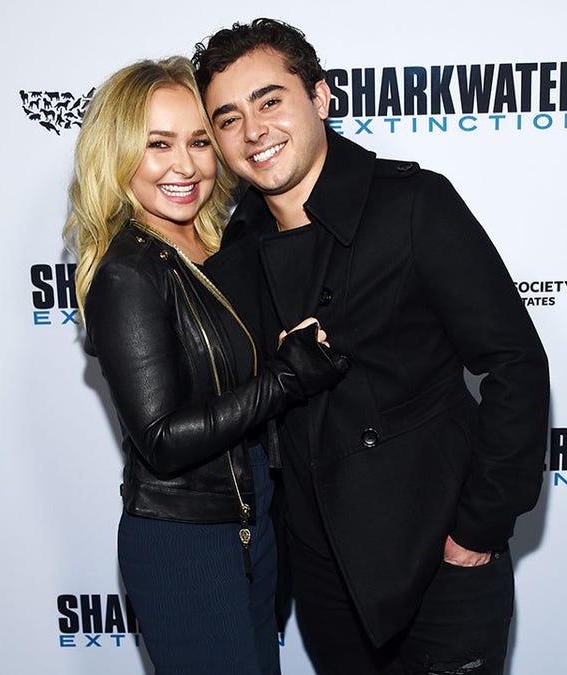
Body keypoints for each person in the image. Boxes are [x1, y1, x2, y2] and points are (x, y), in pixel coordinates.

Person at [194, 18, 550, 674]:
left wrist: (476, 531)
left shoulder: (413, 205)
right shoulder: (233, 258)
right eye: (228, 117)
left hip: (440, 569)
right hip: (327, 590)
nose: (254, 130)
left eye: (270, 100)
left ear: (320, 98)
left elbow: (515, 364)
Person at [63, 56, 348, 674]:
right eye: (158, 144)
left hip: (250, 521)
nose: (184, 165)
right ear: (117, 154)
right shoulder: (128, 274)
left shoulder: (214, 241)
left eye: (198, 141)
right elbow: (162, 439)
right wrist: (286, 377)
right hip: (185, 543)